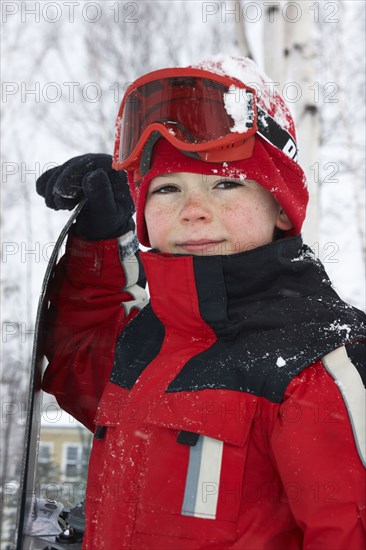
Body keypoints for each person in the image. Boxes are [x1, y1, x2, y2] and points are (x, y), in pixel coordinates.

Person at [37, 55, 366, 549]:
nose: (192, 212)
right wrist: (102, 237)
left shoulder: (319, 361)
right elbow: (79, 353)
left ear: (280, 205)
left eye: (225, 183)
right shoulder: (147, 341)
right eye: (167, 188)